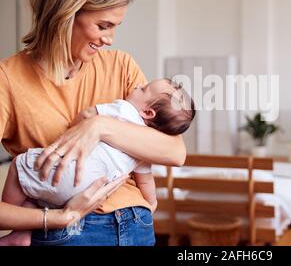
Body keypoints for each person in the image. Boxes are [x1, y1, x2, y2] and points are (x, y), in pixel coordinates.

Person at [0, 0, 186, 246]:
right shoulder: (7, 79)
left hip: (136, 223)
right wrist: (57, 218)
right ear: (66, 14)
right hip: (64, 232)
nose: (110, 38)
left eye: (115, 27)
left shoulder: (121, 65)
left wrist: (99, 126)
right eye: (103, 26)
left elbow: (174, 151)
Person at [1, 78, 195, 245]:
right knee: (38, 194)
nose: (137, 85)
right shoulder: (145, 147)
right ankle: (22, 235)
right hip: (90, 192)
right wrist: (151, 204)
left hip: (68, 173)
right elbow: (146, 181)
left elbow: (86, 115)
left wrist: (76, 128)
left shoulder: (123, 109)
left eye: (143, 89)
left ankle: (15, 226)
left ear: (148, 113)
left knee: (20, 167)